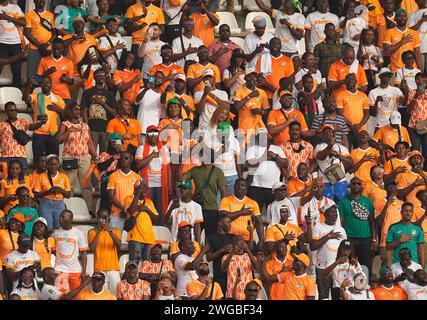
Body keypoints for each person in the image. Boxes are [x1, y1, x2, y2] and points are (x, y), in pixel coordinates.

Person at [56, 103, 97, 213]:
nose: (78, 111)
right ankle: (66, 211)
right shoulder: (65, 124)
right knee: (69, 187)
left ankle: (90, 210)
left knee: (87, 187)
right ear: (70, 111)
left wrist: (95, 157)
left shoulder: (85, 125)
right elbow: (58, 140)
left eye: (79, 109)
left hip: (84, 158)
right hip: (70, 158)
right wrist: (68, 131)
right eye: (75, 109)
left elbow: (90, 143)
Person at [182, 147, 226, 237]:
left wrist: (222, 210)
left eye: (203, 154)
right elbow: (181, 178)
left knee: (211, 237)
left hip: (212, 209)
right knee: (194, 236)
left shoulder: (218, 172)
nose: (201, 156)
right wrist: (182, 162)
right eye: (200, 154)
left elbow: (223, 193)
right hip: (197, 208)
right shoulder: (195, 170)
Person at [23, 76, 66, 162]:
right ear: (40, 85)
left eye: (48, 82)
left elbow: (66, 115)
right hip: (39, 134)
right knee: (39, 162)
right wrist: (29, 86)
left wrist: (58, 109)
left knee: (53, 162)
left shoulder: (57, 98)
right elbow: (25, 98)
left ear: (51, 84)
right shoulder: (36, 96)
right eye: (43, 82)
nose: (46, 84)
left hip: (53, 134)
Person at [339, 177, 376, 274]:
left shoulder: (368, 201)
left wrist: (374, 239)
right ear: (350, 186)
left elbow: (372, 221)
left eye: (358, 183)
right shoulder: (343, 202)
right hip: (350, 238)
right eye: (354, 183)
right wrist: (343, 239)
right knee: (349, 265)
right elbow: (341, 222)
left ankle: (365, 285)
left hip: (366, 238)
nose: (356, 185)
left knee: (366, 265)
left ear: (362, 187)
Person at [310, 203, 347, 300]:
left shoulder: (341, 230)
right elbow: (313, 246)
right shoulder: (318, 227)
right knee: (323, 296)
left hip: (338, 268)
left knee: (337, 296)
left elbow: (347, 248)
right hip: (323, 268)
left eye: (336, 212)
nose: (335, 214)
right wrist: (329, 236)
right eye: (332, 212)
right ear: (325, 214)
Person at [135, 125, 171, 218]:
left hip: (161, 184)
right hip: (147, 185)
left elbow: (168, 168)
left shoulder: (164, 149)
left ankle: (161, 229)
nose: (153, 135)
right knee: (148, 210)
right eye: (151, 133)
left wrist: (169, 185)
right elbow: (138, 165)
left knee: (160, 211)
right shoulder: (141, 148)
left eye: (155, 133)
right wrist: (151, 156)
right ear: (147, 135)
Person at [0, 102, 45, 172]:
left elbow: (32, 127)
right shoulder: (1, 125)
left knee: (22, 180)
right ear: (6, 111)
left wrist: (41, 123)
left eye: (15, 110)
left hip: (20, 156)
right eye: (11, 110)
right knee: (6, 180)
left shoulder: (23, 121)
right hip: (5, 157)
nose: (14, 112)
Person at [81, 68, 117, 154]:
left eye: (103, 75)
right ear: (94, 78)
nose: (101, 77)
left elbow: (114, 113)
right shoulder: (87, 92)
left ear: (105, 78)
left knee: (104, 155)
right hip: (92, 128)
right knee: (90, 153)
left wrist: (103, 104)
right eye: (98, 75)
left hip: (106, 129)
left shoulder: (110, 94)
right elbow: (84, 110)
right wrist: (87, 126)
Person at [52, 210, 88, 294]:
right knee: (61, 295)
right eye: (60, 217)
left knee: (77, 295)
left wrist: (84, 271)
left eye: (63, 217)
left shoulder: (78, 233)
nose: (60, 219)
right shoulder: (55, 233)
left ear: (71, 218)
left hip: (75, 270)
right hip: (60, 270)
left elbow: (83, 253)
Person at [219, 179, 263, 246]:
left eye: (243, 185)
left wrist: (261, 240)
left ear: (246, 189)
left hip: (248, 238)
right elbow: (224, 216)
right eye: (238, 185)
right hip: (230, 237)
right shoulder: (226, 200)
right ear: (234, 187)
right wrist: (241, 212)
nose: (240, 187)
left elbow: (259, 222)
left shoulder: (253, 203)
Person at [314, 125, 353, 203]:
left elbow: (350, 163)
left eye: (331, 131)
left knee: (342, 206)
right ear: (322, 136)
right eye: (326, 132)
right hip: (325, 183)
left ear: (334, 134)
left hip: (341, 181)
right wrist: (330, 145)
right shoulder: (319, 147)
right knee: (326, 206)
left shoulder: (342, 148)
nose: (329, 133)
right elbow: (321, 157)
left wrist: (338, 155)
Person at [87, 209, 121, 296]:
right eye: (101, 217)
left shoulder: (115, 230)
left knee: (116, 294)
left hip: (113, 267)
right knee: (101, 295)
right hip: (99, 268)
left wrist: (109, 231)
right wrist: (99, 231)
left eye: (105, 217)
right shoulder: (92, 232)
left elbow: (119, 245)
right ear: (97, 218)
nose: (103, 220)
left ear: (109, 218)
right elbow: (92, 249)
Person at [33, 154, 71, 231]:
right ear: (47, 165)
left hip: (59, 203)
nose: (53, 166)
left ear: (58, 165)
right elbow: (36, 194)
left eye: (55, 164)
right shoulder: (41, 176)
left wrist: (61, 190)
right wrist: (48, 191)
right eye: (51, 164)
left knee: (59, 227)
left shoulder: (64, 177)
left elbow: (68, 195)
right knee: (47, 227)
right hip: (45, 203)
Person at [125, 178, 159, 262]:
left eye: (145, 188)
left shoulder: (149, 202)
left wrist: (146, 209)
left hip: (149, 239)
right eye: (142, 187)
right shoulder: (129, 199)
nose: (144, 190)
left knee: (147, 267)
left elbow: (156, 219)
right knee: (134, 265)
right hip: (136, 239)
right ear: (136, 188)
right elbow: (131, 211)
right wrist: (137, 194)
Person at [107, 151, 141, 231]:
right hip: (116, 214)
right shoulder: (113, 176)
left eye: (126, 158)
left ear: (131, 159)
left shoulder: (137, 177)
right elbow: (110, 196)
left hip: (132, 215)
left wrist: (129, 211)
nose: (124, 160)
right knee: (116, 240)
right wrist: (123, 209)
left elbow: (138, 196)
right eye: (121, 159)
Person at [36, 38, 75, 102]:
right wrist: (46, 73)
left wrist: (66, 80)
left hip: (64, 96)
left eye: (58, 49)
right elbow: (37, 80)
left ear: (63, 49)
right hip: (49, 95)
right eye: (54, 49)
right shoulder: (44, 60)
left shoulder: (68, 62)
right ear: (52, 48)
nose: (56, 51)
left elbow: (72, 82)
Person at [387, 202, 425, 268]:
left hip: (413, 263)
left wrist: (423, 267)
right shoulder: (393, 227)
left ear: (412, 213)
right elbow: (388, 247)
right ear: (401, 212)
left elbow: (421, 250)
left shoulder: (418, 228)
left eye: (410, 211)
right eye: (405, 211)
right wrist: (400, 241)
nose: (408, 213)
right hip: (398, 263)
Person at [24, 0, 55, 79]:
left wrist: (48, 43)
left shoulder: (50, 15)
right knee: (32, 76)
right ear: (34, 1)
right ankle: (31, 91)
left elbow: (54, 33)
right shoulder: (29, 14)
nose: (41, 1)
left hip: (48, 49)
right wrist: (40, 45)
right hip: (34, 49)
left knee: (49, 75)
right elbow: (27, 33)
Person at [384, 8, 421, 73]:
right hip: (396, 69)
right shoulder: (389, 32)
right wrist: (402, 42)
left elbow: (417, 54)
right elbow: (387, 51)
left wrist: (420, 70)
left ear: (407, 18)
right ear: (395, 18)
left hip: (412, 69)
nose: (402, 18)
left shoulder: (414, 33)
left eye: (404, 16)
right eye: (400, 16)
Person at [221, 235, 259, 300]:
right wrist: (233, 251)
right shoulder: (226, 257)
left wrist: (248, 250)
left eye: (242, 241)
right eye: (237, 242)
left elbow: (257, 267)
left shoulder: (249, 256)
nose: (240, 244)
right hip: (232, 293)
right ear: (233, 244)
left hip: (247, 293)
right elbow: (223, 269)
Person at [233, 69, 269, 135]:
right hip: (244, 128)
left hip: (259, 129)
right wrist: (250, 96)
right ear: (245, 78)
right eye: (249, 76)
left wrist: (261, 112)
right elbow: (236, 106)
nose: (252, 78)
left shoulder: (262, 92)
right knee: (245, 145)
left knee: (260, 145)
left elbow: (267, 110)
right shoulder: (239, 90)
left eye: (254, 76)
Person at [0, 0, 25, 88]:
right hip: (1, 42)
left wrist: (8, 17)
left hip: (16, 42)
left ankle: (17, 96)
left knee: (16, 72)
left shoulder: (15, 7)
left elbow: (23, 23)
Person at [206, 215, 234, 293]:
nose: (230, 224)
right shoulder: (211, 238)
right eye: (228, 222)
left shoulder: (233, 237)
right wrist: (222, 250)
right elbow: (208, 258)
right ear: (220, 223)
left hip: (232, 275)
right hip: (219, 275)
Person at [136, 71, 163, 135]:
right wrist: (146, 89)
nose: (157, 79)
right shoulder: (144, 90)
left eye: (160, 78)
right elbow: (136, 101)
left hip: (153, 131)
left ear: (162, 81)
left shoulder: (161, 97)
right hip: (141, 128)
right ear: (153, 78)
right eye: (156, 77)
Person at [407, 79, 427, 166]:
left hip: (426, 126)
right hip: (413, 126)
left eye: (423, 80)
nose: (421, 81)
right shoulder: (412, 92)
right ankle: (416, 171)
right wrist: (416, 95)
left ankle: (425, 173)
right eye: (418, 79)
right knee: (415, 152)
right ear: (416, 81)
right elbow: (408, 110)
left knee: (426, 151)